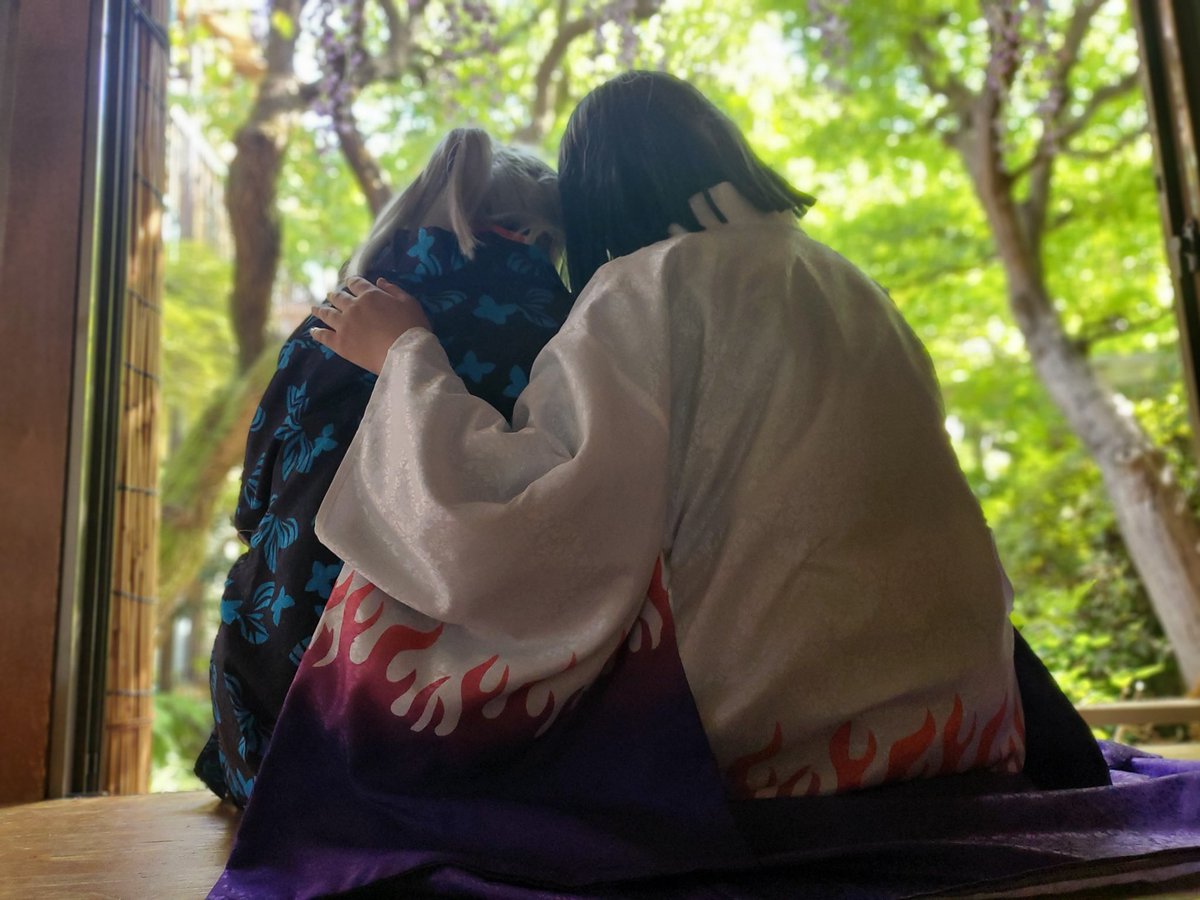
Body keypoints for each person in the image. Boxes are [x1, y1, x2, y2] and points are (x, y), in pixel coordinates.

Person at [212, 74, 1190, 900]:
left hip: (784, 746)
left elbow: (511, 528)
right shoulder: (854, 285)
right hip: (966, 718)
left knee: (393, 594)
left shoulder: (644, 287)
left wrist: (406, 357)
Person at [194, 127, 574, 806]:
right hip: (489, 727)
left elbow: (254, 502)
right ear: (544, 236)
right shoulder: (565, 332)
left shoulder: (335, 316)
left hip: (288, 724)